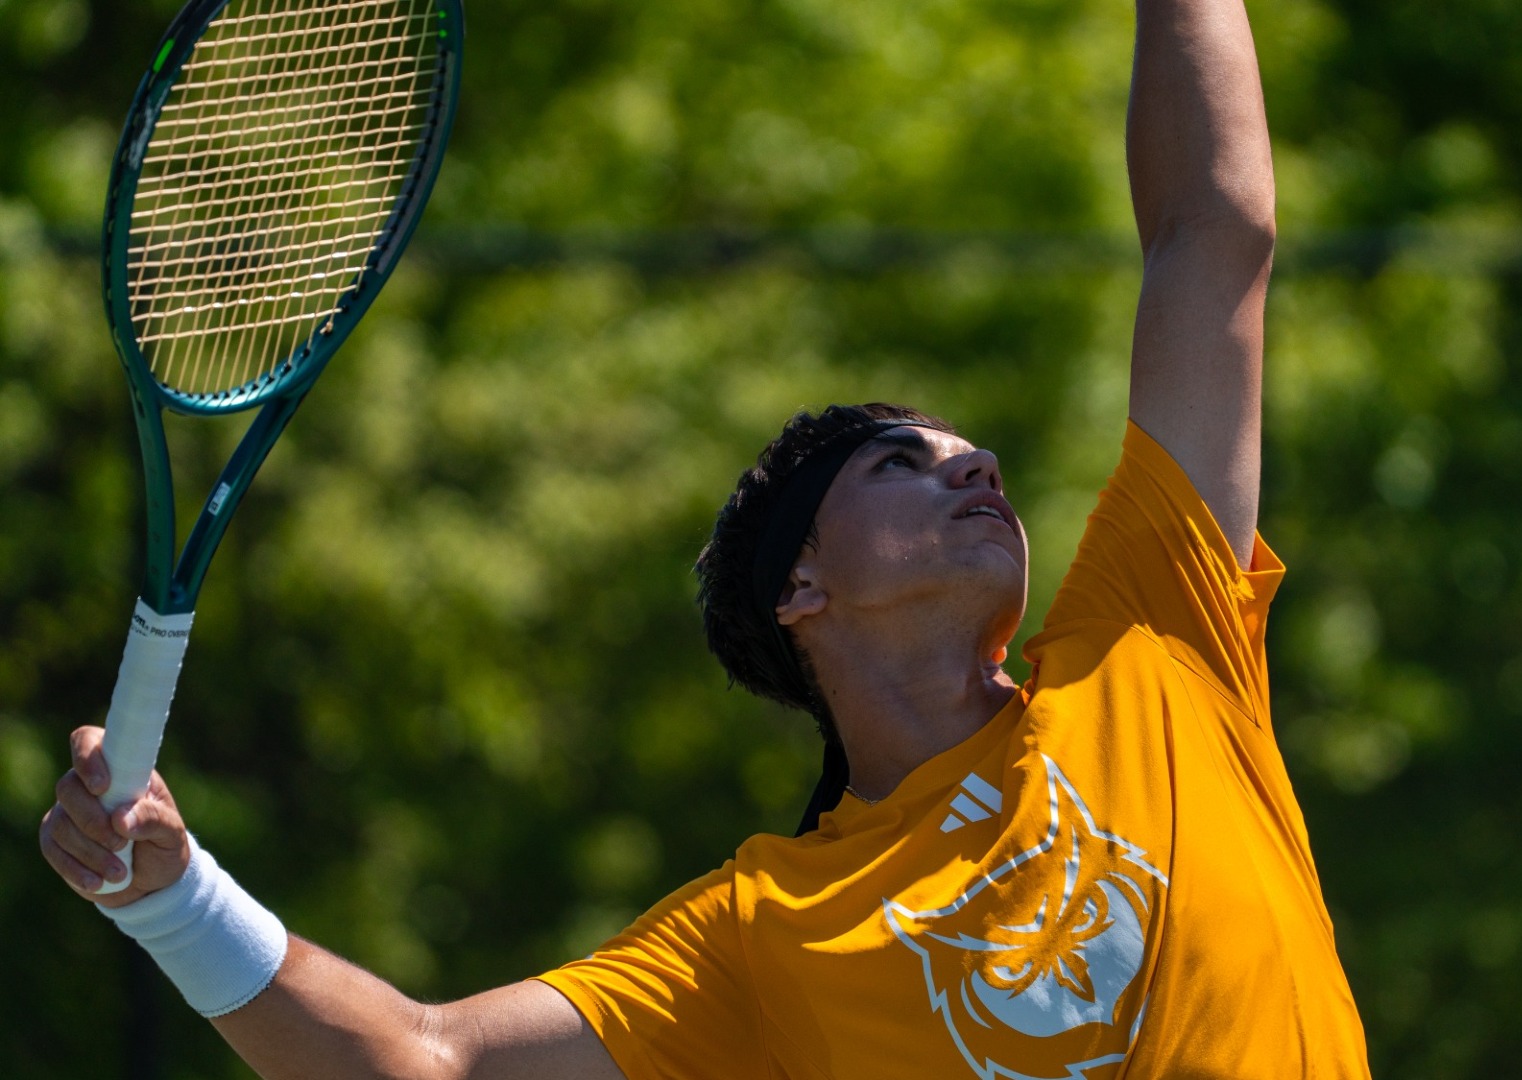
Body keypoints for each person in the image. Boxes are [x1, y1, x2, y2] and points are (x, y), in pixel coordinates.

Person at [40, 0, 1372, 1075]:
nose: (976, 466)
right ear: (802, 584)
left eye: (966, 454)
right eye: (900, 463)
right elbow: (423, 1063)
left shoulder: (1154, 645)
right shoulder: (758, 935)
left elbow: (1216, 234)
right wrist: (170, 899)